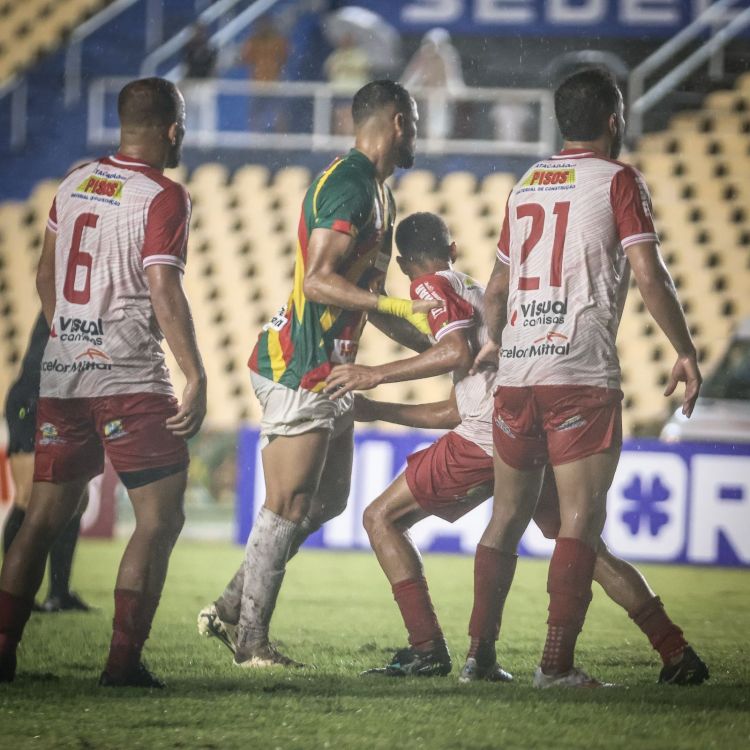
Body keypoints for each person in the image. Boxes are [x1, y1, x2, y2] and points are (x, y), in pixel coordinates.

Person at [326, 211, 708, 686]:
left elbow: (454, 353)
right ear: (453, 250)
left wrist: (374, 374)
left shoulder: (430, 287)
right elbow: (455, 406)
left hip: (490, 437)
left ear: (405, 265)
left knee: (381, 518)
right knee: (584, 546)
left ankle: (429, 649)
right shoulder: (471, 294)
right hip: (524, 429)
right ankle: (674, 649)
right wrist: (379, 410)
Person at [468, 67, 704, 688]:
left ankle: (479, 658)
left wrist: (498, 342)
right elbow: (648, 273)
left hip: (517, 374)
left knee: (506, 517)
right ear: (613, 120)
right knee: (580, 522)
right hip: (577, 371)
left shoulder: (525, 184)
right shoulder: (619, 179)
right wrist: (684, 350)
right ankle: (556, 665)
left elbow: (495, 290)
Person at [197, 80, 431, 669]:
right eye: (415, 121)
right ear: (397, 122)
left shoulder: (380, 193)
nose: (418, 134)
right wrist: (392, 305)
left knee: (326, 502)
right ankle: (250, 643)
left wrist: (438, 347)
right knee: (287, 503)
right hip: (301, 364)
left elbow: (368, 300)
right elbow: (321, 281)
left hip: (334, 367)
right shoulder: (348, 182)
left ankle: (230, 606)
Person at [0, 77, 206, 687]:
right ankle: (122, 663)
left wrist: (70, 334)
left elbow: (45, 276)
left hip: (62, 374)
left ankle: (3, 651)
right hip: (130, 377)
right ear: (173, 130)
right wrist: (194, 372)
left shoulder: (74, 181)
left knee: (41, 517)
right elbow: (163, 287)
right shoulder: (164, 195)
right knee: (159, 519)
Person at [3, 313, 90, 613]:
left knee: (77, 498)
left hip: (68, 402)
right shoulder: (67, 300)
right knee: (27, 497)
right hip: (33, 399)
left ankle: (59, 593)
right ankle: (12, 594)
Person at [401, 28, 463, 140]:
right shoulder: (423, 54)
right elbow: (413, 76)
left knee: (439, 126)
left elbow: (453, 77)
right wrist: (404, 89)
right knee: (421, 124)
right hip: (424, 96)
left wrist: (455, 90)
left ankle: (437, 145)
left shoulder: (448, 55)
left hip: (441, 96)